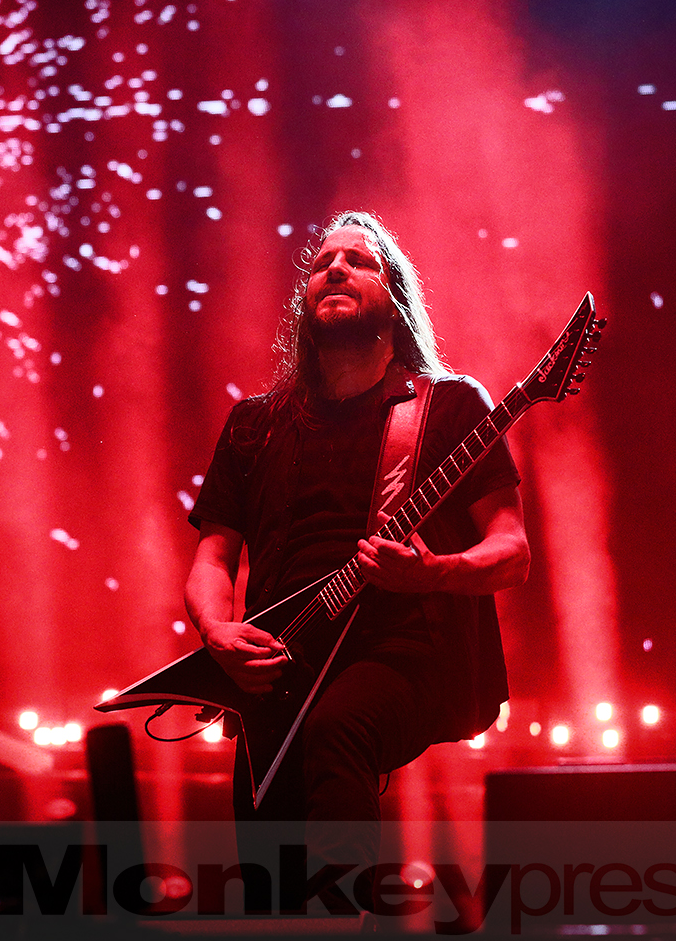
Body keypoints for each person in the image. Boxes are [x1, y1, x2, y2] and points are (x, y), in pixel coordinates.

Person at [185, 211, 529, 909]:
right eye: (322, 262)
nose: (335, 268)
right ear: (304, 303)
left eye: (360, 261)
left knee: (338, 727)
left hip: (404, 650)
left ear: (396, 300)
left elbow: (511, 552)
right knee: (267, 875)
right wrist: (216, 633)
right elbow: (212, 557)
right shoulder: (255, 422)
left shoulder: (451, 407)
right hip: (280, 663)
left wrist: (431, 573)